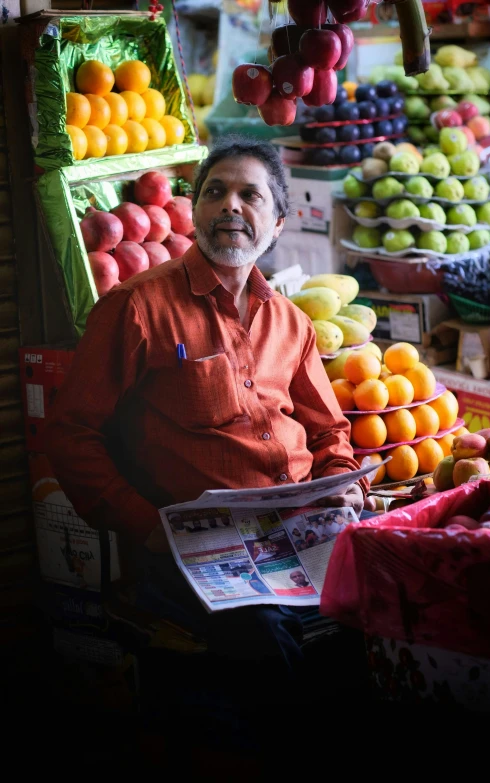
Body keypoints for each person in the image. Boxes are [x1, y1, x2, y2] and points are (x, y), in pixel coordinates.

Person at [45, 135, 368, 710]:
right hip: (192, 552)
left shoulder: (292, 322)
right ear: (195, 210)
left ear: (277, 225)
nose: (230, 207)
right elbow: (71, 435)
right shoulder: (137, 307)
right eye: (214, 192)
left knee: (383, 594)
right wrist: (147, 526)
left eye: (250, 195)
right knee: (270, 639)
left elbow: (328, 432)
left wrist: (345, 487)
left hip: (293, 534)